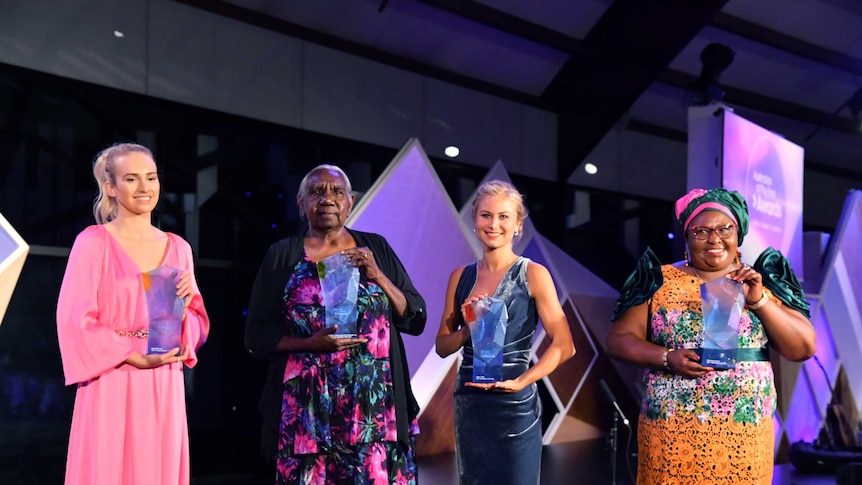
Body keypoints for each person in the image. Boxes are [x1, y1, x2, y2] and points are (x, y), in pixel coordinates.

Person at [606, 187, 816, 485]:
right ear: (687, 237)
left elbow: (803, 347)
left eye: (724, 229)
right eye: (701, 230)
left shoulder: (761, 281)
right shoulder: (657, 279)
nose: (714, 238)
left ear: (738, 233)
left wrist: (757, 300)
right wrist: (666, 358)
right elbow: (618, 340)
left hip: (743, 431)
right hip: (672, 428)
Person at [244, 164, 426, 484]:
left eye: (336, 192)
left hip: (374, 411)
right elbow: (257, 335)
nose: (326, 199)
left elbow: (414, 318)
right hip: (307, 413)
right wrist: (308, 343)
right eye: (316, 192)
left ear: (350, 202)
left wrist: (377, 274)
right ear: (300, 204)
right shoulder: (282, 256)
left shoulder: (376, 249)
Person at [56, 142, 210, 485]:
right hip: (112, 375)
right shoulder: (93, 242)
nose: (145, 188)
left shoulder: (179, 248)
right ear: (111, 187)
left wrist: (185, 312)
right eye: (132, 178)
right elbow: (74, 320)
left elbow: (196, 327)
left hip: (162, 381)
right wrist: (130, 355)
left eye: (151, 177)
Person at [435, 180, 575, 485]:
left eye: (503, 216)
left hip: (515, 404)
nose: (493, 224)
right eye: (486, 215)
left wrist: (521, 382)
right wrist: (467, 329)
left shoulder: (534, 274)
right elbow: (443, 346)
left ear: (517, 225)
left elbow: (565, 346)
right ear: (474, 221)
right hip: (471, 402)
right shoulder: (460, 276)